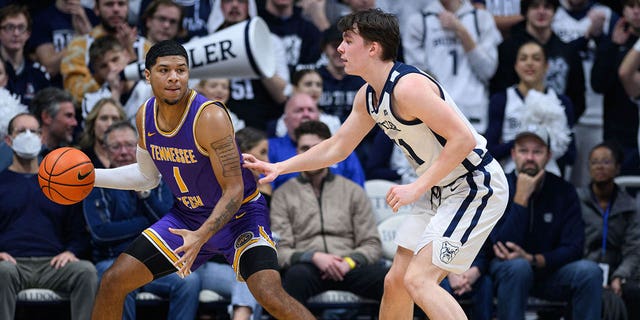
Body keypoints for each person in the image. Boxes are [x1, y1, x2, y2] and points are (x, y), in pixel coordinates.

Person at [243, 9, 510, 320]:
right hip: (437, 189)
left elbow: (463, 139)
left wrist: (417, 186)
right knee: (395, 282)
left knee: (419, 281)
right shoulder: (368, 96)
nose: (339, 48)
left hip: (474, 185)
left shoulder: (408, 87)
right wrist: (279, 167)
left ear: (373, 47)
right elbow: (336, 147)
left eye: (347, 40)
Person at [89, 40, 315, 320]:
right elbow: (146, 177)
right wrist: (90, 177)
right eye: (164, 70)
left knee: (268, 293)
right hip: (187, 217)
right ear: (147, 76)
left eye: (181, 70)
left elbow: (233, 191)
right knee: (113, 281)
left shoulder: (210, 116)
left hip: (240, 215)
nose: (174, 77)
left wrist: (202, 235)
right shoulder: (144, 116)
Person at [84, 121, 201, 320]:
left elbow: (173, 227)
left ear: (140, 148)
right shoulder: (97, 182)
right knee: (118, 278)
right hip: (112, 258)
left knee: (189, 281)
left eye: (129, 145)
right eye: (116, 146)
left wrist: (146, 195)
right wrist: (146, 225)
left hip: (155, 259)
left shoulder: (160, 179)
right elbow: (101, 233)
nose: (123, 152)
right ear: (105, 150)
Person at [488, 126, 603, 319]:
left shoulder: (563, 190)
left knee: (590, 272)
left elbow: (574, 246)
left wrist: (535, 259)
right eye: (524, 151)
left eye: (537, 151)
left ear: (548, 156)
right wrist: (521, 198)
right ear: (513, 154)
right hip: (506, 272)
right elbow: (504, 246)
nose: (530, 157)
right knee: (518, 267)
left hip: (548, 272)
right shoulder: (498, 187)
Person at [270, 120, 389, 307]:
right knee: (294, 278)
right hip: (307, 267)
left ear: (328, 151)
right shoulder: (283, 195)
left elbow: (372, 244)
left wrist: (349, 262)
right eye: (304, 148)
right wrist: (314, 257)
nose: (310, 154)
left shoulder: (352, 191)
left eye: (316, 148)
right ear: (297, 153)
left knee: (389, 281)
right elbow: (280, 250)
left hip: (348, 264)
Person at [0, 112, 98, 320]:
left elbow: (79, 231)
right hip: (11, 264)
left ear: (42, 138)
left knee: (86, 271)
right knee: (2, 272)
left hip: (53, 265)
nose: (28, 136)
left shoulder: (62, 184)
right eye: (21, 131)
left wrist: (71, 251)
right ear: (8, 140)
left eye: (34, 131)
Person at [403, 0, 502, 134]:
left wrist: (461, 31)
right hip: (434, 117)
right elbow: (417, 76)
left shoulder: (482, 18)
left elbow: (487, 70)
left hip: (474, 116)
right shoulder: (418, 21)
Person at [485, 40, 575, 178]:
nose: (529, 63)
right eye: (523, 58)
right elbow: (490, 150)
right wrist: (525, 141)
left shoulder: (562, 102)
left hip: (550, 176)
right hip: (509, 176)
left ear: (547, 66)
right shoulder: (502, 100)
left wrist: (549, 143)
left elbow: (571, 154)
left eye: (536, 58)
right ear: (516, 66)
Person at [490, 0, 586, 121]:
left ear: (554, 12)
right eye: (535, 6)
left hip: (557, 126)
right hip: (514, 125)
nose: (541, 12)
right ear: (526, 12)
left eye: (547, 7)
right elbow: (498, 91)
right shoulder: (507, 49)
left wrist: (561, 122)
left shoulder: (568, 51)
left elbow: (578, 98)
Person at [578, 141, 640, 320]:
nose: (600, 166)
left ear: (617, 168)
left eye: (606, 162)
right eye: (595, 162)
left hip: (618, 271)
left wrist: (619, 276)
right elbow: (571, 243)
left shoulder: (630, 205)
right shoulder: (577, 201)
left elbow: (634, 249)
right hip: (584, 268)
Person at [208, 0, 290, 131]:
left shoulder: (270, 41)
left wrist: (256, 57)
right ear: (220, 6)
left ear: (249, 7)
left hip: (262, 129)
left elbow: (282, 95)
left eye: (241, 1)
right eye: (228, 1)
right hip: (219, 127)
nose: (234, 5)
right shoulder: (204, 44)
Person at [268, 92, 365, 190]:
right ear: (285, 120)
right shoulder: (269, 148)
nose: (306, 115)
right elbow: (264, 189)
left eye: (310, 110)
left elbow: (358, 191)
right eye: (299, 111)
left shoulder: (340, 146)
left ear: (318, 116)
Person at [61, 0, 151, 103]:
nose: (116, 9)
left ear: (128, 8)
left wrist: (130, 53)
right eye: (109, 4)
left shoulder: (144, 46)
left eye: (121, 4)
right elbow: (74, 95)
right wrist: (103, 76)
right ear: (96, 9)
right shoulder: (79, 46)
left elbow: (155, 88)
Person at [593, 0, 640, 175]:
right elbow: (598, 85)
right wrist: (613, 46)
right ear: (623, 11)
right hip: (618, 133)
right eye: (631, 6)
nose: (636, 12)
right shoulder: (612, 42)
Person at [30, 0, 97, 80]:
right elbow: (49, 69)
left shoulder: (92, 17)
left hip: (92, 83)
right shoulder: (43, 19)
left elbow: (105, 61)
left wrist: (89, 33)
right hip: (58, 87)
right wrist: (78, 40)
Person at [0, 5, 52, 106]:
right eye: (10, 27)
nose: (16, 33)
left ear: (28, 34)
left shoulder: (38, 73)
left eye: (21, 28)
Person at [77, 97, 126, 169]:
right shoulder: (80, 159)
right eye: (104, 118)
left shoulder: (130, 158)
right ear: (93, 124)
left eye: (115, 119)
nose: (110, 124)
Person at [31, 87, 78, 155]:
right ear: (47, 117)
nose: (75, 123)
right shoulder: (26, 156)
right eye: (68, 116)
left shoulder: (69, 156)